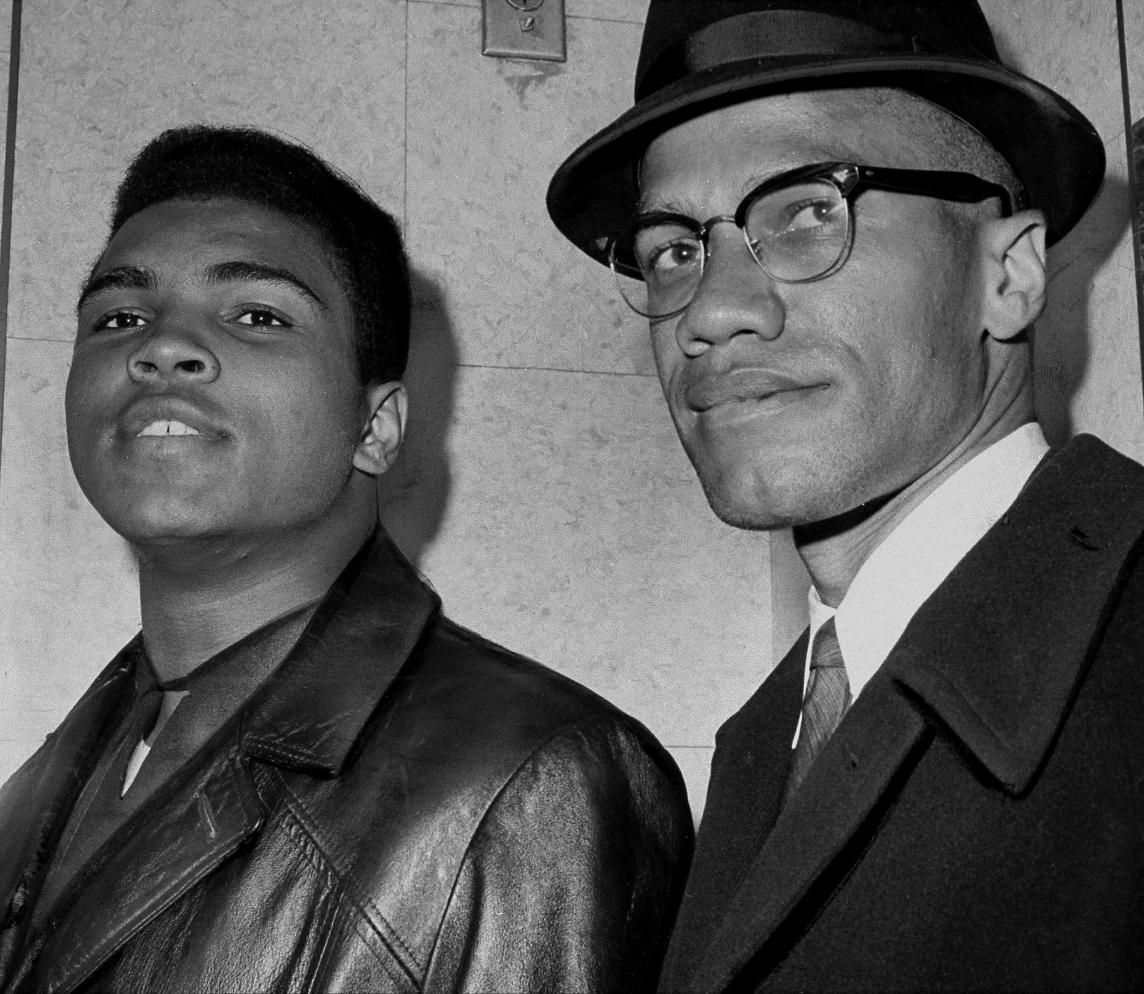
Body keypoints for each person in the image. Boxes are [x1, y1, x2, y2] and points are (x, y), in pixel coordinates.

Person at [546, 1, 1144, 990]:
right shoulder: (765, 735)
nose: (712, 308)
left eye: (806, 211)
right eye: (673, 249)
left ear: (1009, 273)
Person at [0, 125, 693, 993]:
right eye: (120, 316)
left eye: (256, 314)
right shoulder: (40, 784)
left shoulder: (527, 785)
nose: (160, 347)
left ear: (376, 427)